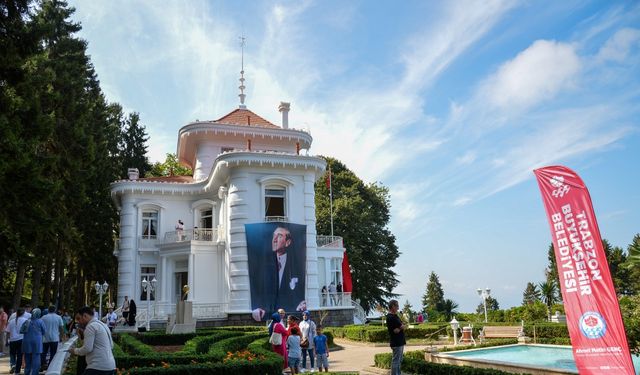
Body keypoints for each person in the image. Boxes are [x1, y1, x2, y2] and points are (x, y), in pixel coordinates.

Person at [249, 224, 306, 317]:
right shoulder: (263, 265)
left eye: (279, 236)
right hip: (267, 313)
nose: (274, 240)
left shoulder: (298, 264)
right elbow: (257, 290)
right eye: (273, 236)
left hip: (290, 314)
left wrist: (302, 304)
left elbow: (300, 294)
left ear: (288, 242)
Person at [70, 306, 116, 375]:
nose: (78, 322)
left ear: (85, 316)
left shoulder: (90, 326)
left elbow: (87, 348)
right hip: (111, 367)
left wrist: (74, 351)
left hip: (98, 367)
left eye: (79, 319)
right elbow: (111, 345)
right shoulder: (104, 325)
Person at [22, 308, 46, 375]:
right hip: (37, 342)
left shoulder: (27, 321)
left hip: (26, 341)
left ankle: (26, 372)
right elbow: (44, 332)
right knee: (36, 359)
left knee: (27, 359)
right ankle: (34, 373)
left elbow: (21, 331)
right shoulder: (40, 321)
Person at [386, 299, 406, 375]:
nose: (398, 307)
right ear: (393, 306)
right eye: (397, 306)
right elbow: (395, 331)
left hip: (400, 341)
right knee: (396, 361)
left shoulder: (395, 316)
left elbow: (400, 326)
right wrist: (402, 327)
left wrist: (401, 326)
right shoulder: (391, 317)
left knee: (399, 360)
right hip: (396, 342)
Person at [41, 305, 64, 370]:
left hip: (45, 338)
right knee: (53, 353)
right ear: (55, 310)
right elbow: (61, 328)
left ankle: (43, 364)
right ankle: (50, 366)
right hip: (55, 338)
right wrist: (61, 337)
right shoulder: (58, 317)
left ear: (48, 310)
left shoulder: (43, 317)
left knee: (43, 352)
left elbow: (40, 327)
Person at [8, 308, 28, 374]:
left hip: (12, 340)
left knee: (12, 354)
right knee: (19, 356)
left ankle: (13, 364)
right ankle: (17, 371)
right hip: (21, 340)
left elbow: (8, 331)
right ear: (23, 313)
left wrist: (7, 340)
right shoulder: (25, 320)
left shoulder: (11, 321)